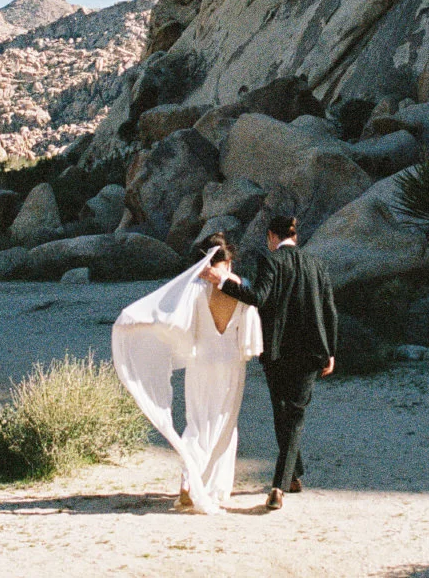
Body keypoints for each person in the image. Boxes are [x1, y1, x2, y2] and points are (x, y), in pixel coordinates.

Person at [110, 234, 262, 514]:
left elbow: (174, 321)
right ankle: (210, 486)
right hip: (230, 360)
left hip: (201, 360)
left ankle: (189, 481)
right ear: (228, 261)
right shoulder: (242, 287)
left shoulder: (196, 289)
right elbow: (249, 326)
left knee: (198, 421)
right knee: (224, 422)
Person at [201, 215, 338, 511]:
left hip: (277, 351)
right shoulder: (317, 264)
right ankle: (292, 475)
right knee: (294, 416)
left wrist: (222, 281)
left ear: (271, 237)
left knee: (283, 414)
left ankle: (279, 486)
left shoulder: (271, 261)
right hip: (310, 351)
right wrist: (331, 350)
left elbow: (258, 297)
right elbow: (329, 309)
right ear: (294, 236)